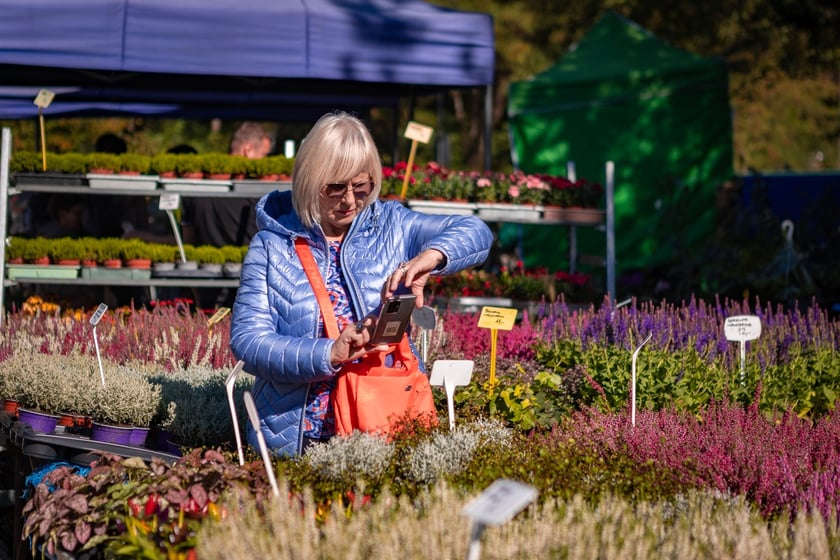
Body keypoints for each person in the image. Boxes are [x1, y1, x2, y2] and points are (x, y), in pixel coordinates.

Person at [229, 111, 493, 457]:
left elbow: (476, 231)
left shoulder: (394, 224)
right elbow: (248, 341)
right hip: (298, 436)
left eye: (361, 187)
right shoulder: (271, 245)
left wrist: (430, 257)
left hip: (383, 423)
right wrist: (329, 353)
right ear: (309, 180)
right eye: (335, 188)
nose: (350, 201)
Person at [181, 123, 271, 309]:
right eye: (263, 155)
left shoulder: (196, 191)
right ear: (247, 150)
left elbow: (188, 246)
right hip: (249, 294)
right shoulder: (255, 194)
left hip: (205, 291)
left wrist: (198, 299)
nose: (265, 163)